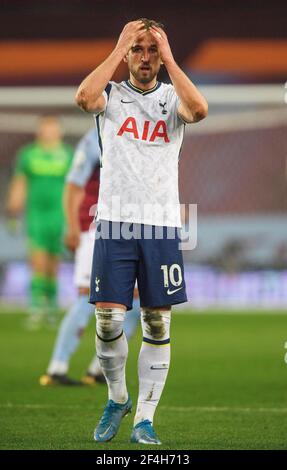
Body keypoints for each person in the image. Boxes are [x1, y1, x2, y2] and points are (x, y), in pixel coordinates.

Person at [76, 18, 208, 444]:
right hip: (114, 223)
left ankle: (144, 420)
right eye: (139, 50)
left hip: (162, 227)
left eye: (152, 50)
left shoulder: (173, 99)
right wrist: (119, 48)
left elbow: (200, 110)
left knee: (155, 323)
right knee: (109, 319)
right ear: (127, 54)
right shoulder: (111, 96)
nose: (146, 57)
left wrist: (171, 56)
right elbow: (84, 97)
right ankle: (117, 398)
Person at [39, 128, 141, 386]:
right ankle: (57, 367)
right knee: (88, 296)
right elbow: (74, 184)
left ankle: (99, 370)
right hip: (95, 227)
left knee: (136, 300)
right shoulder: (97, 135)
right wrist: (73, 227)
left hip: (130, 226)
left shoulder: (141, 128)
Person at [6, 116, 73, 327]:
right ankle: (36, 308)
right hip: (36, 215)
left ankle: (51, 308)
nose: (49, 132)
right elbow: (20, 182)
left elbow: (74, 188)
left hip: (59, 215)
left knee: (53, 263)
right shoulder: (28, 155)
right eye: (46, 129)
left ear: (59, 132)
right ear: (40, 131)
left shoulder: (68, 156)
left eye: (53, 129)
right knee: (37, 261)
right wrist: (14, 206)